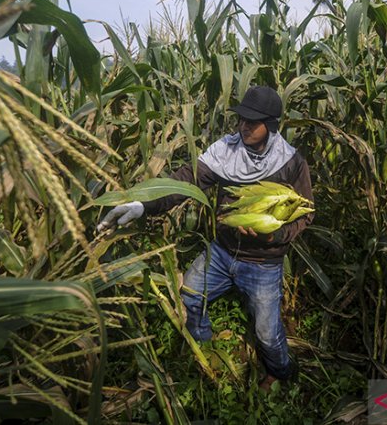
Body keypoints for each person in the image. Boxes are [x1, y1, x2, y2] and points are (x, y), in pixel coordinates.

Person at [97, 86, 314, 391]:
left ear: (272, 125)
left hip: (264, 262)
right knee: (189, 295)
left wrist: (275, 235)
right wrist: (143, 204)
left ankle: (281, 371)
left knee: (266, 332)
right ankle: (206, 347)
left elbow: (306, 214)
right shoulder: (225, 151)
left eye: (253, 122)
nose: (244, 126)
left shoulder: (291, 162)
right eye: (242, 120)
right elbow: (185, 181)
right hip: (222, 253)